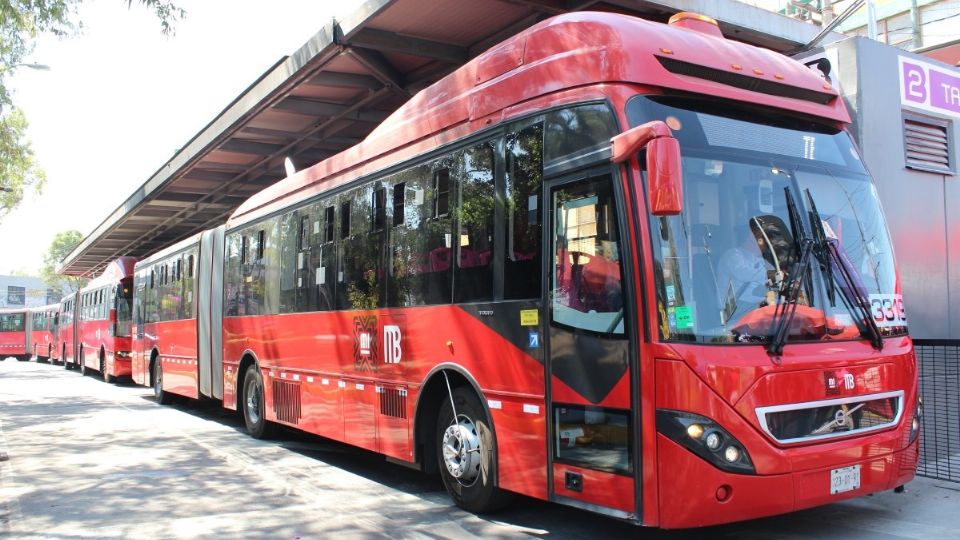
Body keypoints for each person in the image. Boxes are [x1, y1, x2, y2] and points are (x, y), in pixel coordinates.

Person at [717, 227, 772, 312]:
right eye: (759, 240)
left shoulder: (758, 259)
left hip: (753, 302)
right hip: (733, 307)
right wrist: (768, 273)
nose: (762, 244)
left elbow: (765, 283)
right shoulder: (733, 255)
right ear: (749, 239)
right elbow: (743, 273)